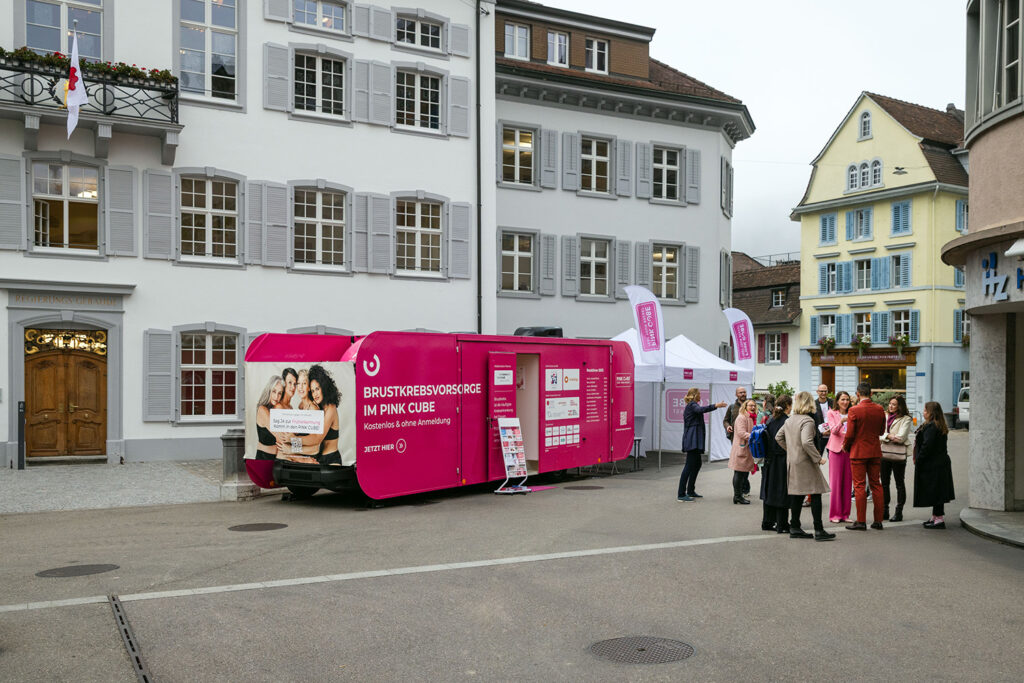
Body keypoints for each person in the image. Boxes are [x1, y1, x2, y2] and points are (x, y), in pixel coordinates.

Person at [776, 391, 834, 541]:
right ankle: (819, 530)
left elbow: (778, 437)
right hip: (805, 462)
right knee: (815, 493)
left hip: (794, 461)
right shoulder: (807, 421)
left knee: (797, 494)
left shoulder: (790, 420)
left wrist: (791, 450)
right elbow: (807, 442)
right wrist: (818, 458)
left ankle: (795, 526)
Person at [842, 382, 887, 530]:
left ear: (858, 394)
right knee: (876, 485)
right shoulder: (880, 409)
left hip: (859, 452)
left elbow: (849, 434)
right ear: (871, 393)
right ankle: (878, 521)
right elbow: (881, 431)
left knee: (860, 485)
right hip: (874, 450)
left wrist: (845, 447)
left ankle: (861, 521)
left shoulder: (854, 410)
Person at [678, 389, 728, 501]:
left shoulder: (692, 405)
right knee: (689, 466)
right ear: (695, 395)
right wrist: (716, 405)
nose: (700, 396)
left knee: (697, 464)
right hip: (692, 440)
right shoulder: (692, 405)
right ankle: (681, 494)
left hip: (694, 439)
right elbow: (701, 410)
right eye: (699, 394)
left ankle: (690, 490)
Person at [913, 402, 955, 529]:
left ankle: (939, 519)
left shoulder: (932, 427)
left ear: (931, 412)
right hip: (940, 463)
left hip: (934, 464)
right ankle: (936, 516)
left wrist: (919, 459)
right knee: (938, 491)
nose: (924, 412)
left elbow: (927, 446)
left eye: (926, 410)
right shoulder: (938, 425)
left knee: (936, 491)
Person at [761, 395, 793, 533]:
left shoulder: (770, 419)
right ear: (788, 405)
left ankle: (767, 522)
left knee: (770, 491)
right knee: (781, 491)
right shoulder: (787, 421)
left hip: (769, 460)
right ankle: (782, 524)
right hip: (782, 459)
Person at [880, 395, 913, 522]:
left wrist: (886, 436)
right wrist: (889, 435)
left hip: (898, 455)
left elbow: (901, 438)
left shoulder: (906, 419)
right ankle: (885, 510)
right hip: (884, 454)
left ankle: (899, 512)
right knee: (884, 483)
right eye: (890, 404)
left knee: (899, 483)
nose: (891, 406)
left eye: (894, 404)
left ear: (900, 406)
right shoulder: (885, 416)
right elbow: (878, 434)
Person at [825, 391, 853, 523]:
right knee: (836, 483)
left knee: (847, 483)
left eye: (847, 399)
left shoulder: (852, 413)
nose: (845, 402)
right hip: (835, 450)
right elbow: (833, 431)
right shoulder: (831, 413)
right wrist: (842, 421)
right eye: (842, 399)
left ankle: (845, 514)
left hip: (849, 450)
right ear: (837, 401)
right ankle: (835, 514)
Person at [728, 398, 758, 504]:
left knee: (743, 474)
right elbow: (741, 433)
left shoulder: (751, 417)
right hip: (741, 448)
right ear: (745, 406)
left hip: (746, 449)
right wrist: (755, 436)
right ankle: (737, 496)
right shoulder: (742, 417)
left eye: (754, 405)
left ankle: (739, 495)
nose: (753, 407)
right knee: (739, 473)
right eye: (750, 405)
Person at [724, 387, 750, 494]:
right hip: (735, 439)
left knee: (747, 463)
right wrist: (728, 426)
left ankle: (744, 486)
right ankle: (740, 490)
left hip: (748, 438)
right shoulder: (732, 407)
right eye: (740, 392)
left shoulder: (750, 405)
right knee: (739, 464)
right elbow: (725, 420)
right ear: (736, 394)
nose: (743, 394)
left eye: (744, 392)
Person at [255, 376, 285, 459]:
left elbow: (286, 434)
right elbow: (282, 439)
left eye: (279, 393)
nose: (276, 397)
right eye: (274, 391)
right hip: (264, 458)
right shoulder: (262, 410)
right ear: (269, 391)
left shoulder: (276, 408)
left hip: (277, 458)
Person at [812, 384, 834, 454]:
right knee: (817, 458)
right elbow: (812, 421)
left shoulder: (833, 402)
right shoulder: (813, 404)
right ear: (817, 392)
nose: (824, 393)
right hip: (819, 436)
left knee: (832, 458)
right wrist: (820, 433)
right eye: (821, 391)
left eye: (825, 391)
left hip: (832, 435)